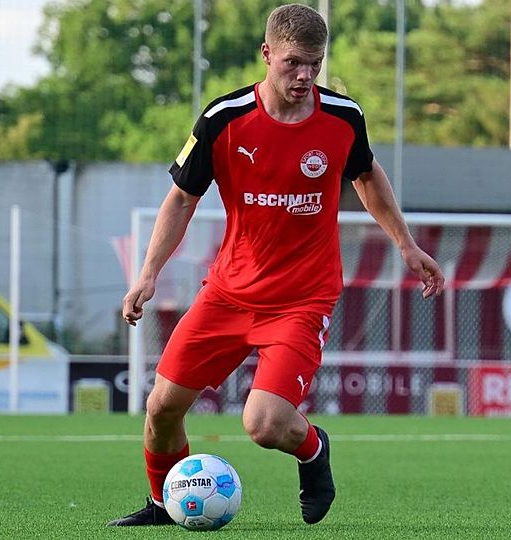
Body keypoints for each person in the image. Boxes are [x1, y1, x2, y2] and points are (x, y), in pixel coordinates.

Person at [108, 3, 444, 527]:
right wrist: (148, 273)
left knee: (263, 424)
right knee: (161, 408)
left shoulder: (342, 117)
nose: (305, 75)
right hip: (227, 293)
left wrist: (405, 244)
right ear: (266, 54)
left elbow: (368, 176)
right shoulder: (224, 119)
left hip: (301, 301)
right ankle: (164, 504)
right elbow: (181, 199)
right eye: (293, 63)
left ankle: (312, 450)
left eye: (315, 63)